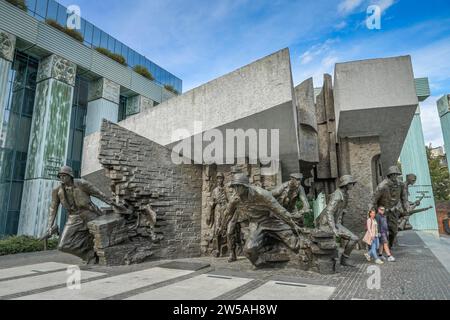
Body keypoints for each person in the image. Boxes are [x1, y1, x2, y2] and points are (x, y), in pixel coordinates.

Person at [224, 174, 306, 268]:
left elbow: (279, 210)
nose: (236, 189)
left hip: (271, 220)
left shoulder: (261, 194)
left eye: (238, 186)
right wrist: (223, 224)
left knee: (293, 244)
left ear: (245, 186)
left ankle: (304, 253)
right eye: (234, 186)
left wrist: (293, 223)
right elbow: (228, 213)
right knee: (249, 250)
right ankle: (264, 263)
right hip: (256, 223)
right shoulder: (235, 199)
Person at [45, 166, 117, 264]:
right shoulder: (57, 190)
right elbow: (53, 208)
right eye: (60, 176)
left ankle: (104, 257)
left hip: (90, 214)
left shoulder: (82, 184)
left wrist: (115, 205)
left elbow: (99, 194)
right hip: (73, 217)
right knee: (63, 245)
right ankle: (89, 255)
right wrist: (50, 226)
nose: (62, 178)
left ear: (70, 176)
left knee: (100, 237)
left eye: (64, 175)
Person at [315, 175, 360, 267]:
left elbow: (339, 209)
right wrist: (333, 228)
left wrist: (342, 212)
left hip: (335, 223)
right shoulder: (337, 195)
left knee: (354, 238)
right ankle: (341, 259)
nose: (352, 185)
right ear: (346, 184)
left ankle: (344, 259)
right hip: (326, 224)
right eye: (351, 183)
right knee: (353, 238)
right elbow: (329, 212)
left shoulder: (345, 194)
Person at [371, 166, 410, 248]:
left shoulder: (401, 185)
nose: (395, 176)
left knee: (394, 231)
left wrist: (407, 209)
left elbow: (404, 199)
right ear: (389, 175)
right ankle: (382, 248)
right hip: (382, 211)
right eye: (393, 174)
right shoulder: (382, 186)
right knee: (382, 231)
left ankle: (390, 246)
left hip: (393, 211)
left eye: (396, 174)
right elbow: (373, 200)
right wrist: (372, 212)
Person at [206, 172, 229, 257]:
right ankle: (217, 249)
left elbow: (229, 200)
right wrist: (209, 213)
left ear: (223, 179)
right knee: (217, 229)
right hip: (218, 210)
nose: (220, 180)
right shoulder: (215, 190)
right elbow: (211, 203)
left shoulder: (226, 189)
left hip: (225, 209)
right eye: (218, 178)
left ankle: (228, 249)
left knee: (227, 228)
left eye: (221, 178)